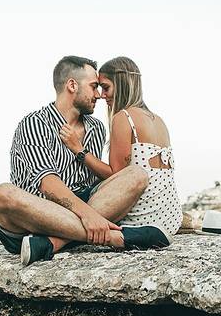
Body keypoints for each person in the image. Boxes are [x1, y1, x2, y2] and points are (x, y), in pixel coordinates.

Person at [0, 56, 167, 266]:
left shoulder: (96, 128)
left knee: (137, 174)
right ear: (72, 85)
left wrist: (91, 209)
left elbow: (103, 180)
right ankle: (117, 238)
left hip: (84, 204)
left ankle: (52, 243)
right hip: (37, 214)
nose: (99, 95)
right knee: (3, 194)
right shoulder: (35, 123)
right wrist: (90, 216)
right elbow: (49, 185)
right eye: (94, 87)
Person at [59, 56, 181, 245]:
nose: (101, 95)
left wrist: (79, 150)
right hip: (170, 216)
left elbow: (115, 174)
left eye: (106, 87)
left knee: (87, 220)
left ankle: (53, 240)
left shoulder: (124, 118)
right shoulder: (158, 120)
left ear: (122, 84)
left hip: (143, 215)